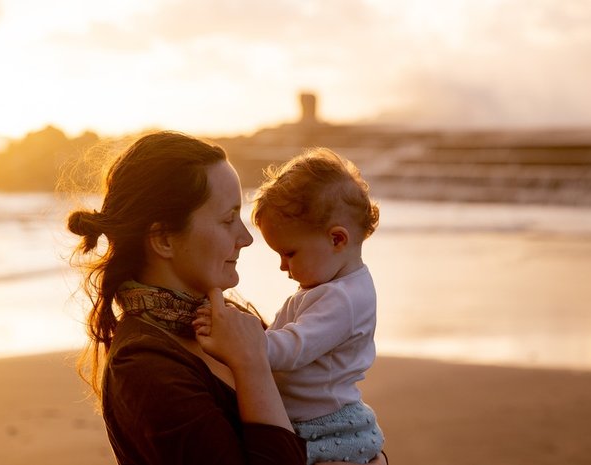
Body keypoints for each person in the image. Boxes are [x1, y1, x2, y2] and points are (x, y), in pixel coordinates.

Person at [67, 131, 387, 465]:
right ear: (163, 239)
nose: (246, 238)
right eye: (227, 219)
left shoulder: (223, 316)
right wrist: (251, 366)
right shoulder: (145, 369)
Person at [250, 148, 385, 464]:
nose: (283, 266)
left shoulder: (344, 299)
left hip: (326, 426)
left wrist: (246, 343)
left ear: (337, 239)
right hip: (314, 418)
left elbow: (295, 347)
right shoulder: (329, 287)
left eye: (290, 253)